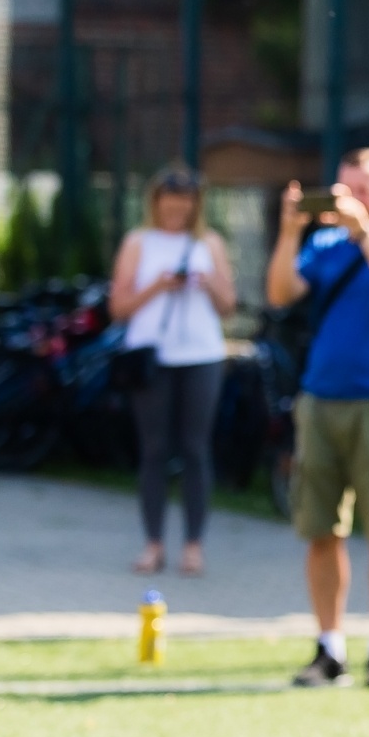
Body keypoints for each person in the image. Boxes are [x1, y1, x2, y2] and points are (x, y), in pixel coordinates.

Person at [265, 148, 369, 688]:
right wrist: (290, 231)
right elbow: (280, 293)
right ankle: (328, 647)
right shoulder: (324, 244)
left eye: (364, 189)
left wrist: (364, 231)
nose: (350, 200)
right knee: (321, 530)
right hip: (321, 400)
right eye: (344, 190)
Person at [109, 166, 237, 577]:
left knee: (196, 449)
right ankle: (153, 543)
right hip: (153, 356)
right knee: (154, 450)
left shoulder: (209, 242)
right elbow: (118, 308)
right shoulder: (138, 242)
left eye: (185, 200)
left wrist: (205, 281)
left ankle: (194, 546)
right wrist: (158, 286)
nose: (177, 207)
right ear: (156, 201)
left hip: (201, 356)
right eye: (170, 199)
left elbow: (228, 305)